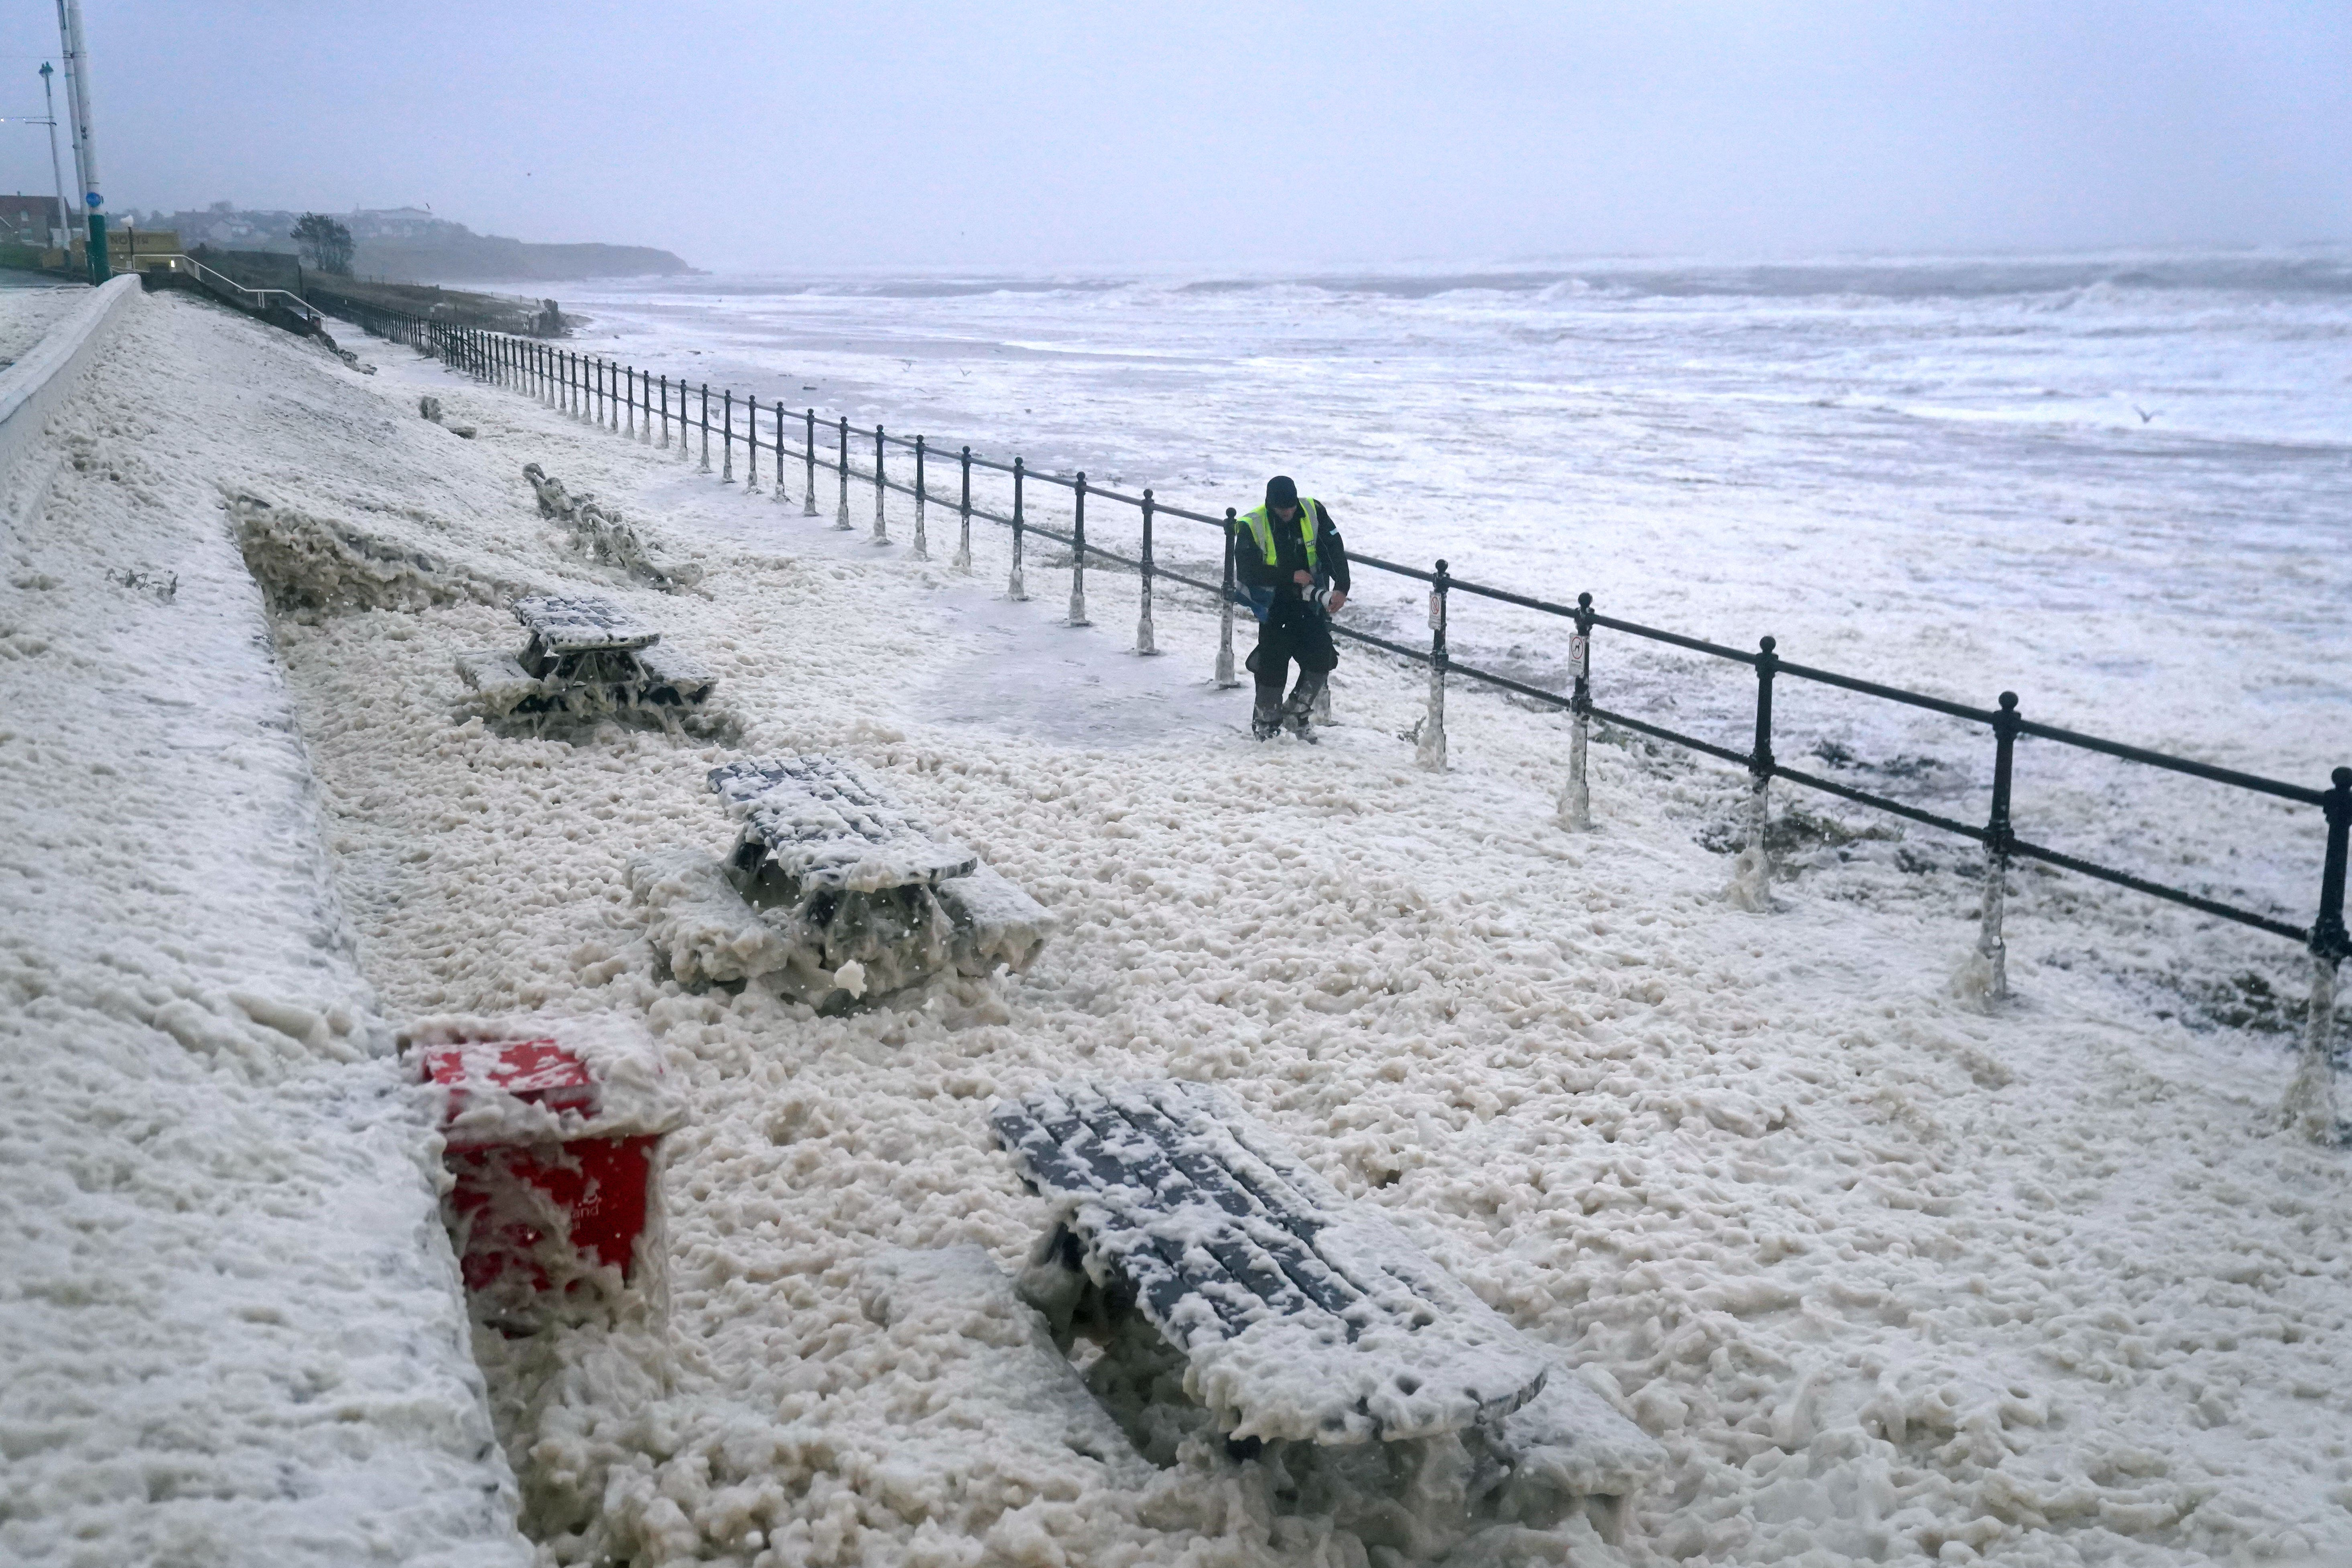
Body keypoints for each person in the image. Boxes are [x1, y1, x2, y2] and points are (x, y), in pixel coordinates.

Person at [1235, 475, 1350, 741]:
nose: (1287, 513)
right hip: (1273, 605)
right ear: (1270, 504)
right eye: (1281, 509)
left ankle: (1296, 713)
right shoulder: (1252, 525)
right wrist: (1290, 575)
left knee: (1323, 657)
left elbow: (1333, 547)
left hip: (1308, 603)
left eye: (1290, 507)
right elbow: (1249, 571)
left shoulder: (1312, 512)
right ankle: (1266, 723)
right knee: (1273, 666)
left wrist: (1342, 586)